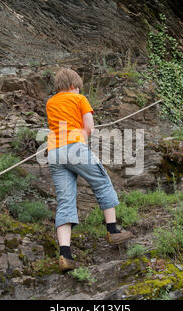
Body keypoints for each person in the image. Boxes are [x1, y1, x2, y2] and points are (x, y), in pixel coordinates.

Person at [46, 68, 133, 272]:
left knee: (65, 200)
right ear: (72, 86)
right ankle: (113, 230)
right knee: (102, 181)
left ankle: (65, 255)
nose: (78, 90)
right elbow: (89, 128)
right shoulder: (80, 99)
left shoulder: (50, 102)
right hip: (74, 147)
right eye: (77, 87)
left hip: (53, 153)